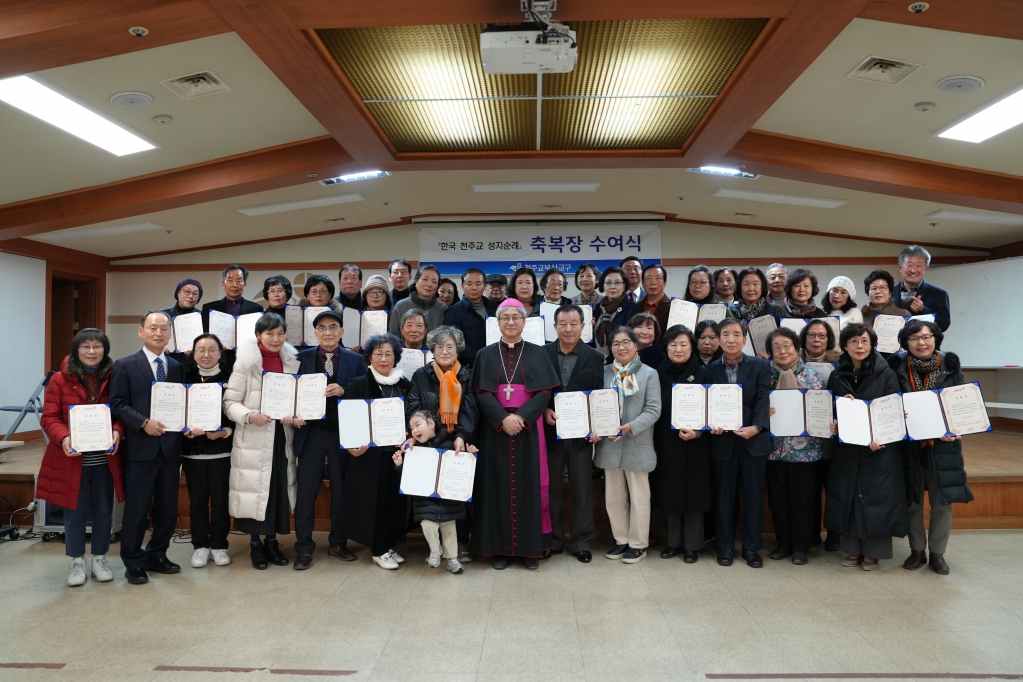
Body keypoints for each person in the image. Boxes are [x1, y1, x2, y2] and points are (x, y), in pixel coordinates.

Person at [468, 298, 560, 569]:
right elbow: (482, 392)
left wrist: (520, 417)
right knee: (496, 487)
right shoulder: (485, 355)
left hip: (528, 429)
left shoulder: (538, 352)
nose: (510, 322)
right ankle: (500, 549)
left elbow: (544, 391)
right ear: (497, 323)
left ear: (524, 322)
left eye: (515, 317)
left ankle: (530, 550)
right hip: (495, 430)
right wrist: (502, 419)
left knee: (530, 486)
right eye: (504, 317)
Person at [37, 328, 125, 586]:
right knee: (73, 511)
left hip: (104, 457)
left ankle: (99, 558)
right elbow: (49, 417)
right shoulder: (59, 380)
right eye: (85, 346)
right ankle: (77, 562)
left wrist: (118, 431)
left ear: (104, 350)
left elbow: (122, 411)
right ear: (76, 350)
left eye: (97, 346)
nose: (91, 351)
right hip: (71, 458)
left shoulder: (114, 375)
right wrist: (64, 437)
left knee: (102, 510)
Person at [110, 312, 187, 585]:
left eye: (164, 329)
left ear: (170, 334)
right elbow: (117, 404)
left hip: (170, 449)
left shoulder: (177, 367)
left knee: (167, 508)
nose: (158, 333)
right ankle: (133, 561)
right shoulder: (125, 365)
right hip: (140, 449)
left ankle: (158, 554)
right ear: (141, 332)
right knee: (137, 508)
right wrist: (143, 423)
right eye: (153, 328)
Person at [890, 319, 972, 575]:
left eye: (926, 337)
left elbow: (962, 403)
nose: (921, 342)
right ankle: (917, 551)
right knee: (912, 502)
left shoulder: (951, 367)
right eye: (914, 338)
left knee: (942, 501)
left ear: (936, 339)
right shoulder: (895, 368)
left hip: (943, 448)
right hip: (908, 446)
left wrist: (957, 428)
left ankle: (937, 553)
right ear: (905, 343)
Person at [826, 323, 907, 571]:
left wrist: (880, 435)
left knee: (877, 498)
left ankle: (874, 552)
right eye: (853, 342)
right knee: (848, 495)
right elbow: (828, 408)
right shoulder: (837, 374)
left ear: (872, 344)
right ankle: (852, 550)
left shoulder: (886, 373)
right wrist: (836, 423)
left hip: (878, 448)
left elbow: (893, 410)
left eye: (864, 341)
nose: (859, 346)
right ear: (845, 346)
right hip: (848, 448)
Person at [223, 313, 301, 570]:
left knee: (277, 488)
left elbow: (296, 399)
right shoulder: (245, 363)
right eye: (270, 334)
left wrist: (296, 415)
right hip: (253, 436)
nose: (275, 339)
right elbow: (229, 403)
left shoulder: (291, 363)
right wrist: (248, 416)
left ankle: (271, 542)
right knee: (254, 490)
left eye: (280, 333)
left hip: (281, 436)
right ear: (258, 336)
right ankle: (255, 546)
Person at [292, 310, 366, 570]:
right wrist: (294, 414)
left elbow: (362, 391)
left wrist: (344, 390)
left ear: (342, 332)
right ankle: (303, 548)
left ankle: (338, 542)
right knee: (306, 492)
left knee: (341, 491)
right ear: (315, 333)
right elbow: (292, 394)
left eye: (333, 327)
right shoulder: (299, 358)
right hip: (310, 433)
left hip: (342, 433)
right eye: (321, 328)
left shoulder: (356, 359)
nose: (327, 332)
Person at [406, 325, 478, 563]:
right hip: (427, 443)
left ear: (458, 350)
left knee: (457, 494)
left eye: (450, 347)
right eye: (440, 347)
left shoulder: (466, 374)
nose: (445, 351)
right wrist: (426, 433)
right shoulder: (421, 374)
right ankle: (433, 546)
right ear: (433, 350)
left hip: (456, 442)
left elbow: (470, 409)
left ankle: (460, 544)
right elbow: (415, 406)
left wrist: (461, 435)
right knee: (428, 497)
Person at [705, 319, 772, 568]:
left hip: (754, 440)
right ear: (719, 340)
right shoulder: (710, 369)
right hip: (723, 441)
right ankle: (724, 546)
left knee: (754, 495)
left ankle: (752, 548)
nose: (731, 339)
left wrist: (756, 427)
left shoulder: (760, 366)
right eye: (725, 335)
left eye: (736, 334)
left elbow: (763, 400)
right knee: (724, 496)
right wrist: (712, 422)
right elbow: (708, 405)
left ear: (745, 340)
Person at [592, 327, 662, 564]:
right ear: (610, 348)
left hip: (636, 442)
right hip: (609, 445)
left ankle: (638, 544)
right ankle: (621, 540)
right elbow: (595, 406)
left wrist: (631, 426)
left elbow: (654, 410)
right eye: (616, 344)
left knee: (640, 497)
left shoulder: (649, 374)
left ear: (635, 345)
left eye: (626, 343)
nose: (621, 348)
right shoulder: (603, 373)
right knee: (613, 497)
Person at [342, 334, 411, 569]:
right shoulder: (359, 383)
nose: (383, 358)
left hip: (396, 454)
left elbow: (412, 416)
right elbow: (350, 419)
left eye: (388, 353)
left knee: (393, 502)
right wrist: (352, 446)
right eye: (378, 353)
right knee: (375, 503)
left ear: (396, 357)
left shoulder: (404, 383)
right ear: (370, 357)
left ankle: (388, 545)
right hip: (370, 456)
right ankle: (378, 550)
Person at [543, 305, 604, 563]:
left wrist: (596, 425)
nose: (568, 328)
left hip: (581, 436)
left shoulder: (595, 356)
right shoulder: (542, 354)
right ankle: (554, 540)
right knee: (552, 489)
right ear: (554, 327)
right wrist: (544, 409)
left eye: (573, 323)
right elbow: (536, 390)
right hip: (549, 433)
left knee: (581, 490)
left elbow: (599, 395)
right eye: (563, 324)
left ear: (583, 326)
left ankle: (581, 541)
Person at [764, 327, 826, 565]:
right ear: (770, 352)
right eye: (776, 347)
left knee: (802, 502)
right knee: (778, 502)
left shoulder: (811, 376)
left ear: (796, 348)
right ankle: (783, 544)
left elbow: (821, 410)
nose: (782, 351)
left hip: (805, 452)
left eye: (787, 346)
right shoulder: (764, 375)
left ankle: (801, 546)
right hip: (773, 451)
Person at [651, 325, 711, 563]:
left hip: (696, 444)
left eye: (683, 344)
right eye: (673, 344)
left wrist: (698, 433)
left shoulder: (705, 374)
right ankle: (673, 543)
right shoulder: (656, 373)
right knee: (671, 492)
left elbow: (713, 410)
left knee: (694, 495)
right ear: (665, 347)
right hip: (666, 443)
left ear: (692, 347)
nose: (678, 349)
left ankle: (692, 546)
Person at [392, 410, 476, 574]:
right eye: (411, 427)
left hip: (448, 502)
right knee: (427, 524)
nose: (414, 430)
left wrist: (469, 455)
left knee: (449, 529)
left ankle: (452, 559)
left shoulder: (450, 444)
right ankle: (435, 550)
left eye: (418, 425)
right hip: (425, 502)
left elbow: (462, 468)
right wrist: (399, 465)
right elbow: (410, 478)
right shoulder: (414, 450)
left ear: (431, 424)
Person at [182, 334, 234, 569]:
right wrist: (183, 429)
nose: (206, 354)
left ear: (220, 353)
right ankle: (200, 546)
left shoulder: (231, 379)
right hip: (193, 452)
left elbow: (237, 414)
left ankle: (220, 545)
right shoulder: (185, 379)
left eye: (212, 350)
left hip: (222, 452)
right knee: (197, 503)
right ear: (193, 353)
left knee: (221, 501)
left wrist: (224, 432)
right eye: (201, 350)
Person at [443, 268, 497, 368]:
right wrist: (482, 358)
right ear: (462, 286)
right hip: (469, 368)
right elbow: (456, 345)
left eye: (478, 283)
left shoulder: (494, 309)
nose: (474, 287)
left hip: (496, 364)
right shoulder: (453, 312)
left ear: (484, 286)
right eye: (469, 283)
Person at [895, 245, 951, 331]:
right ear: (900, 267)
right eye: (909, 265)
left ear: (926, 268)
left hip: (923, 343)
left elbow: (943, 325)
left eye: (918, 265)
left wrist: (923, 310)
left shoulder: (939, 294)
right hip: (894, 343)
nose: (913, 270)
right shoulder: (889, 292)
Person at [594, 266, 640, 358]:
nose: (612, 287)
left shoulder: (633, 310)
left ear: (624, 285)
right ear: (603, 285)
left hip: (620, 363)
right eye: (608, 283)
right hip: (595, 363)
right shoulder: (596, 309)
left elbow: (634, 340)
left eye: (617, 283)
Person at [201, 265, 263, 332]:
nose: (234, 285)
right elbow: (205, 334)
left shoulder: (257, 309)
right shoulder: (209, 308)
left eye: (239, 280)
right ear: (223, 284)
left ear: (244, 284)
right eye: (230, 280)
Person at [389, 265, 447, 336]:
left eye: (434, 281)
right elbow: (393, 335)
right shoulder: (401, 306)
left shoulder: (443, 309)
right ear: (416, 282)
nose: (429, 284)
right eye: (425, 279)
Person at [640, 264, 670, 338]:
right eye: (648, 278)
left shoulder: (673, 307)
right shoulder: (635, 307)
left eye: (658, 278)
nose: (653, 282)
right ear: (643, 284)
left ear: (665, 283)